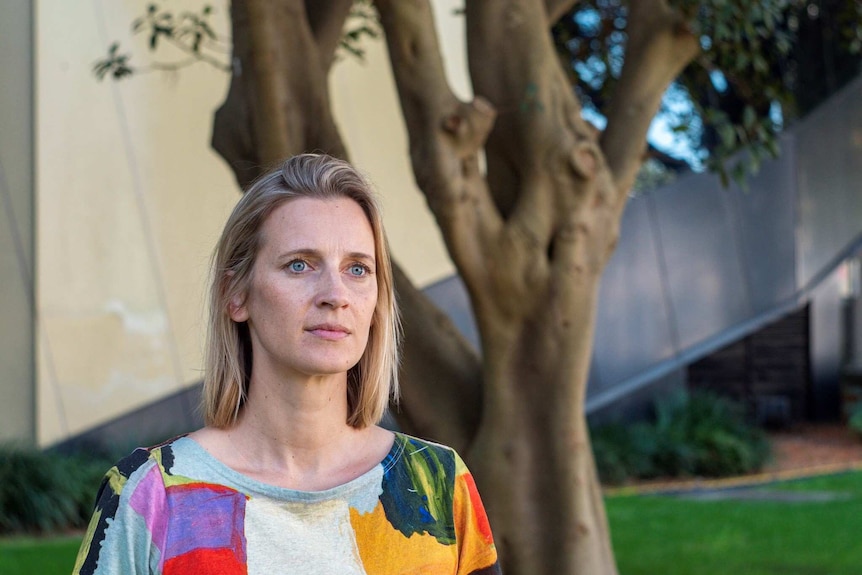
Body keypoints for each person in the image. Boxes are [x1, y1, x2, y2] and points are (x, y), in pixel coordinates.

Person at [72, 153, 501, 575]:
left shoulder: (437, 486)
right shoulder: (152, 496)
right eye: (300, 265)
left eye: (357, 268)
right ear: (236, 294)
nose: (336, 294)